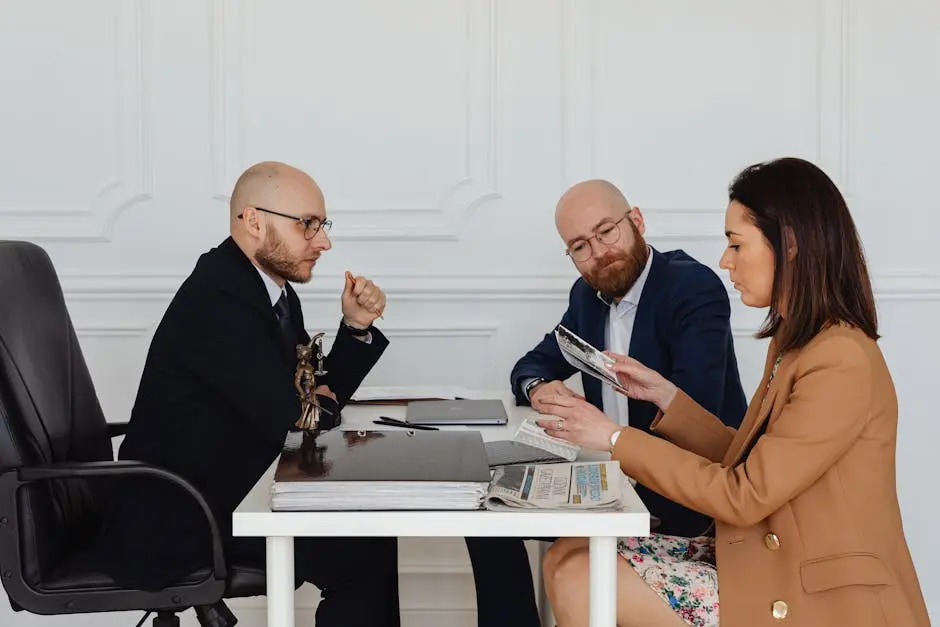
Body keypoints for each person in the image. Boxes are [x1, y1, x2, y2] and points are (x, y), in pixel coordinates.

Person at [538, 157, 931, 627]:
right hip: (775, 555)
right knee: (567, 554)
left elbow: (743, 494)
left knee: (580, 576)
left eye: (736, 243)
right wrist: (667, 397)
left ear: (789, 247)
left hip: (815, 593)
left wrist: (613, 439)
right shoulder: (799, 342)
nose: (725, 260)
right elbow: (753, 462)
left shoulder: (839, 359)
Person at [97, 161, 401, 626]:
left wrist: (355, 328)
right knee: (361, 548)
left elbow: (312, 398)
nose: (324, 242)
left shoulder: (267, 292)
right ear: (254, 221)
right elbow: (304, 413)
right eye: (308, 226)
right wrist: (316, 402)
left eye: (323, 226)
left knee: (366, 539)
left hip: (225, 491)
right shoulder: (219, 301)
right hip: (181, 518)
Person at [465, 180, 748, 627]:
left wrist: (607, 436)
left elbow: (696, 416)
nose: (598, 251)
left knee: (565, 558)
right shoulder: (587, 298)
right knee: (487, 520)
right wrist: (540, 387)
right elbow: (532, 364)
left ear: (636, 221)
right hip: (613, 485)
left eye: (606, 232)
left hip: (681, 502)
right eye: (580, 245)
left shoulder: (692, 287)